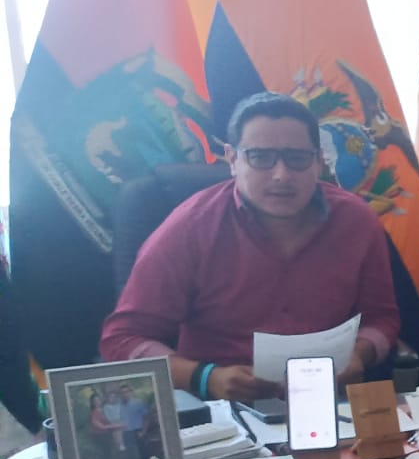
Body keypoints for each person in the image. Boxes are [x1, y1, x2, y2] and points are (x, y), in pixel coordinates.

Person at [99, 92, 400, 402]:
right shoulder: (189, 228)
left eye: (297, 158)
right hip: (219, 406)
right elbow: (122, 340)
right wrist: (204, 377)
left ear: (319, 161)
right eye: (260, 157)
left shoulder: (356, 222)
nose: (281, 175)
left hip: (327, 400)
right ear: (232, 159)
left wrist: (359, 355)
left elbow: (382, 320)